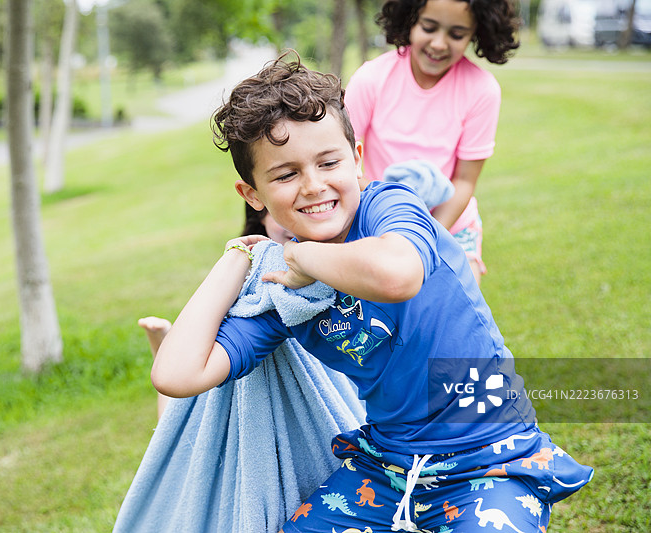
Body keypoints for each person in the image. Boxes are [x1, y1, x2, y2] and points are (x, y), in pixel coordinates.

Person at [150, 53, 592, 532]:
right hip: (385, 472)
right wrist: (239, 256)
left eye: (328, 162)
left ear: (357, 159)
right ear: (253, 195)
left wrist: (301, 256)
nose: (314, 185)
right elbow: (176, 374)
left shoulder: (388, 209)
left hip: (491, 458)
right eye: (285, 174)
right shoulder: (285, 293)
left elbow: (396, 276)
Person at [344, 0, 521, 284]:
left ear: (477, 32)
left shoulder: (482, 90)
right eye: (429, 27)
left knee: (457, 314)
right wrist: (390, 226)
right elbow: (342, 162)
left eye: (457, 34)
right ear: (410, 19)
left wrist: (425, 238)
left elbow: (464, 181)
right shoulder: (372, 78)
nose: (439, 44)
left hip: (449, 226)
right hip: (378, 221)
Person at [139, 205, 293, 419]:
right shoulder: (260, 298)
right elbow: (176, 376)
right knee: (186, 419)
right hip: (231, 358)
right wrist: (237, 257)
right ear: (260, 214)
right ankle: (163, 345)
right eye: (279, 211)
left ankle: (166, 343)